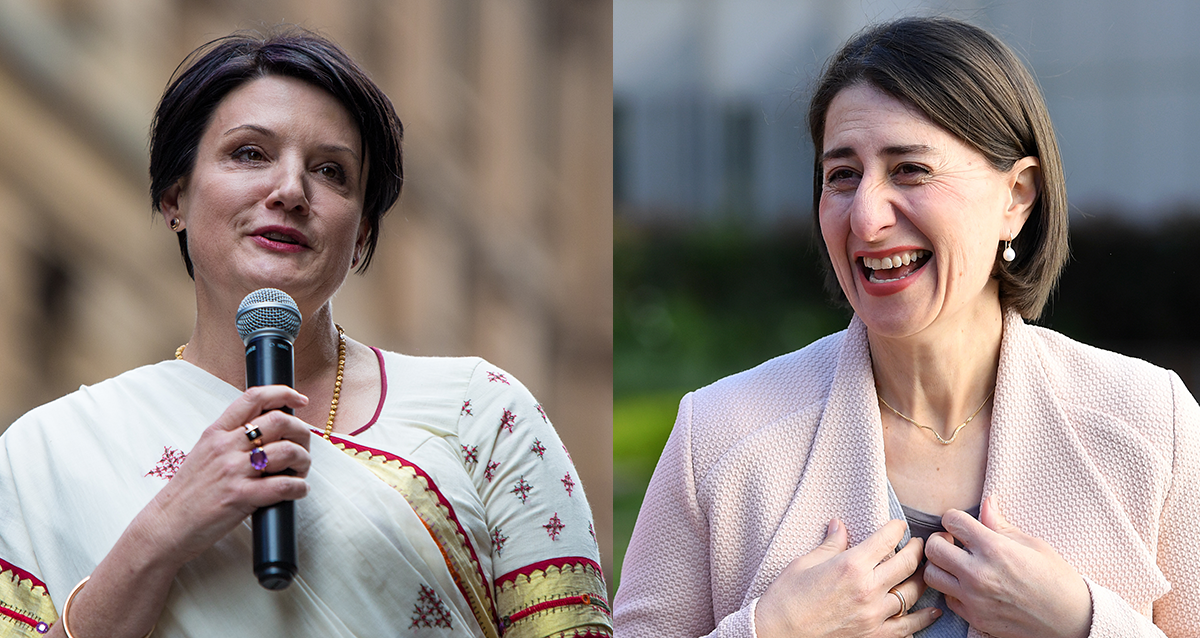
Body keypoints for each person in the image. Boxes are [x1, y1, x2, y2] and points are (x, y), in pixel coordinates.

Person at [0, 28, 610, 638]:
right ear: (174, 197)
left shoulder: (481, 413)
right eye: (249, 154)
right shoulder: (47, 453)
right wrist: (162, 532)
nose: (290, 190)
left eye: (330, 171)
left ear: (363, 232)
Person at [614, 16, 1199, 638]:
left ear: (1017, 197)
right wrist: (774, 631)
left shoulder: (1149, 422)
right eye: (842, 175)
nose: (865, 218)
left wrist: (1081, 623)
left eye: (909, 169)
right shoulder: (719, 435)